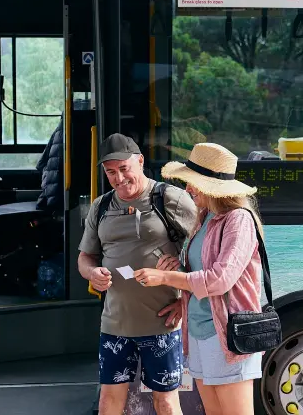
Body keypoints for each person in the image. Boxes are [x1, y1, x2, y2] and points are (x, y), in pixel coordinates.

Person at [134, 143, 265, 415]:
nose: (188, 189)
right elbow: (200, 275)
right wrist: (178, 273)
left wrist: (165, 277)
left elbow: (220, 280)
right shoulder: (205, 218)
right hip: (200, 333)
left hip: (228, 336)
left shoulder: (238, 219)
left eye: (193, 183)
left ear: (212, 187)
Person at [77, 133, 199, 415]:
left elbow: (203, 255)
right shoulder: (101, 206)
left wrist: (184, 298)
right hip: (115, 324)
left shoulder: (170, 198)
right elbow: (85, 257)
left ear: (140, 161)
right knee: (108, 402)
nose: (119, 178)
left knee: (166, 402)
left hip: (162, 324)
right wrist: (91, 273)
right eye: (111, 172)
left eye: (124, 169)